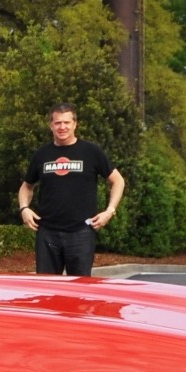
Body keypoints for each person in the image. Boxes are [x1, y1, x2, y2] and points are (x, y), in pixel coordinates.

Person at [16, 104, 124, 277]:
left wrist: (109, 211)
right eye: (57, 123)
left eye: (67, 122)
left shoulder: (91, 152)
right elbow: (26, 186)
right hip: (47, 233)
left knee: (80, 292)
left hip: (81, 233)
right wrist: (24, 208)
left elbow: (118, 180)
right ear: (51, 125)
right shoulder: (42, 155)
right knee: (47, 290)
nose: (62, 127)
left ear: (75, 124)